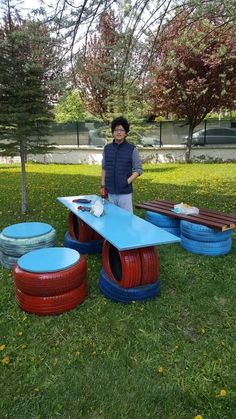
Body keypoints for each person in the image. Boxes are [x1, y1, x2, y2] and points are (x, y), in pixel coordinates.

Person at [101, 116, 142, 213]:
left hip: (125, 193)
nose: (118, 132)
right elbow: (104, 167)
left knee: (126, 220)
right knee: (111, 218)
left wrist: (126, 182)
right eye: (116, 130)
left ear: (126, 133)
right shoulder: (107, 148)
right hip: (110, 191)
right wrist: (103, 185)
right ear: (112, 132)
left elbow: (138, 170)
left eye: (121, 130)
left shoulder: (132, 149)